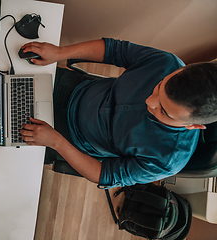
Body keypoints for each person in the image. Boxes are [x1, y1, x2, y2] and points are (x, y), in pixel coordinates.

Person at [19, 38, 217, 189]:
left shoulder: (166, 161)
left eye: (164, 111)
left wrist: (56, 142)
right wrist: (60, 52)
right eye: (158, 87)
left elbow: (103, 174)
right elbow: (115, 50)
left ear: (194, 126)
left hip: (67, 139)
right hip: (74, 88)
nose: (149, 101)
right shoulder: (167, 63)